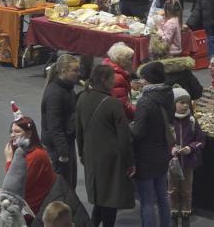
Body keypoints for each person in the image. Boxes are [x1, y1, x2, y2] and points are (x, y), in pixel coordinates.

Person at [76, 65, 135, 227]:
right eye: (111, 79)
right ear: (104, 80)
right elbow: (124, 137)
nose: (113, 82)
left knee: (99, 197)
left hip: (90, 155)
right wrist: (130, 162)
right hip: (111, 159)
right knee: (110, 198)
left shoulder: (82, 97)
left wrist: (81, 152)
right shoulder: (113, 104)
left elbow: (78, 129)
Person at [132, 61, 174, 227]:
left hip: (145, 157)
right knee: (163, 197)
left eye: (143, 78)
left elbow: (139, 133)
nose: (140, 81)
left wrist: (125, 129)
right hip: (162, 153)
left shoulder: (145, 102)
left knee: (147, 202)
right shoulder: (168, 95)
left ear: (149, 80)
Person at [3, 114, 56, 217]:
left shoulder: (37, 155)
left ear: (29, 134)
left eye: (17, 132)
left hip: (32, 209)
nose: (12, 135)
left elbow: (15, 186)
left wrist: (9, 160)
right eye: (11, 131)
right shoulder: (24, 151)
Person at [41, 54, 80, 189]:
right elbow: (54, 126)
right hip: (58, 148)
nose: (78, 74)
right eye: (75, 71)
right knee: (62, 187)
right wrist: (63, 152)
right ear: (63, 71)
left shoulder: (67, 88)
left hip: (65, 143)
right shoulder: (55, 94)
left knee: (69, 184)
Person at [169, 88, 205, 227]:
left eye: (187, 103)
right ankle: (173, 211)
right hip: (172, 163)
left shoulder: (192, 120)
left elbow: (201, 139)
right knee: (172, 189)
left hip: (188, 162)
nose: (185, 105)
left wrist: (191, 148)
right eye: (182, 102)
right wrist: (171, 149)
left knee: (186, 189)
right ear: (174, 104)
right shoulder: (169, 122)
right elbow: (162, 140)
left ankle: (185, 212)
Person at [102, 42, 137, 120]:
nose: (131, 62)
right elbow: (123, 106)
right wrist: (138, 112)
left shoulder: (108, 68)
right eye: (129, 59)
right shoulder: (117, 78)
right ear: (120, 60)